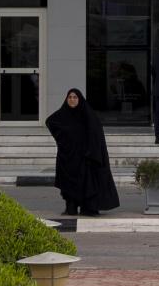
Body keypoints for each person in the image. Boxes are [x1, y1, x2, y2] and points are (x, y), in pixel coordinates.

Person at [46, 87, 121, 217]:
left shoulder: (88, 115)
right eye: (70, 97)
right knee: (69, 183)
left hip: (85, 157)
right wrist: (62, 140)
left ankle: (88, 208)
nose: (72, 100)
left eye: (75, 97)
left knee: (87, 183)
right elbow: (50, 122)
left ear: (79, 99)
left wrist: (91, 151)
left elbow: (96, 134)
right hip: (69, 156)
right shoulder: (62, 114)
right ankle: (71, 207)